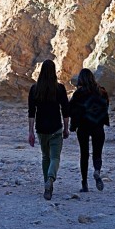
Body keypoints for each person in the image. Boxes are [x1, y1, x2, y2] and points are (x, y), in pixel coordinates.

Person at [28, 59, 70, 200]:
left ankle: (47, 185)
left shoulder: (34, 89)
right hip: (56, 127)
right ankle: (50, 179)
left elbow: (31, 112)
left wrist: (31, 132)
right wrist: (66, 128)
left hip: (41, 128)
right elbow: (65, 110)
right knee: (55, 157)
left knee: (45, 157)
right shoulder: (59, 88)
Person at [69, 68, 110, 192]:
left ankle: (84, 184)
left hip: (83, 128)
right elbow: (105, 107)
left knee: (84, 154)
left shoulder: (79, 94)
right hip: (98, 127)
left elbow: (71, 110)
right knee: (97, 153)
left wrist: (73, 125)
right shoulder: (102, 91)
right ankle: (97, 171)